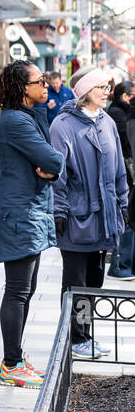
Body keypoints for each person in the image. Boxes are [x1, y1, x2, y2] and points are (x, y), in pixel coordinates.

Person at [0, 61, 65, 389]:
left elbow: (50, 160)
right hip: (19, 213)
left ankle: (15, 357)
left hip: (28, 210)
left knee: (25, 290)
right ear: (22, 88)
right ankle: (10, 364)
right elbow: (54, 159)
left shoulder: (28, 116)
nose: (46, 86)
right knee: (17, 290)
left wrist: (50, 165)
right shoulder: (17, 120)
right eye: (39, 81)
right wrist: (50, 165)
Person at [50, 66, 129, 358]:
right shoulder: (63, 126)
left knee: (94, 281)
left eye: (108, 87)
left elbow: (118, 168)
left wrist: (123, 204)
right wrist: (59, 212)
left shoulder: (106, 122)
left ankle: (85, 335)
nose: (107, 92)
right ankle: (74, 338)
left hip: (104, 218)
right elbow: (57, 175)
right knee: (76, 282)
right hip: (76, 217)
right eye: (101, 87)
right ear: (84, 92)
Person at [106, 81, 135, 279]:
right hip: (123, 171)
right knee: (127, 218)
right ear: (125, 96)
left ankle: (122, 264)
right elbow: (125, 143)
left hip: (126, 170)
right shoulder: (118, 113)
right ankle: (119, 264)